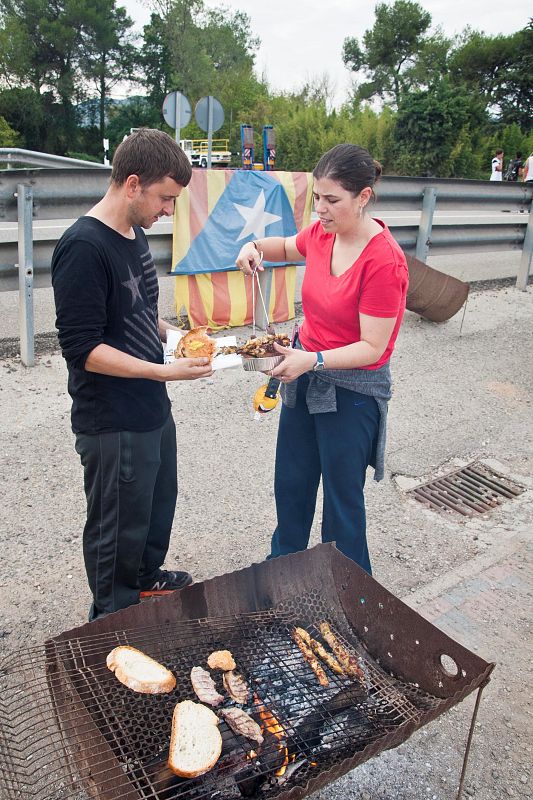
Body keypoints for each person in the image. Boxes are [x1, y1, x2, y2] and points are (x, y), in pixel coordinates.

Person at [51, 129, 213, 621]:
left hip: (150, 405)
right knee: (116, 529)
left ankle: (144, 579)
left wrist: (183, 338)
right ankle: (111, 618)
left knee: (155, 507)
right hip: (112, 418)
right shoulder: (83, 247)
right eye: (165, 198)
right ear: (133, 184)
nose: (168, 210)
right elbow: (83, 349)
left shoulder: (135, 233)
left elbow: (141, 313)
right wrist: (163, 372)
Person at [235, 143, 408, 574]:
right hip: (306, 372)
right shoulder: (322, 234)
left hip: (352, 391)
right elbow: (284, 246)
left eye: (332, 200)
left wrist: (312, 360)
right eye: (316, 197)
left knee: (341, 503)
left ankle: (348, 590)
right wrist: (254, 246)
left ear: (363, 197)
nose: (320, 209)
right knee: (291, 484)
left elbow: (372, 347)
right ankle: (283, 571)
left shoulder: (384, 261)